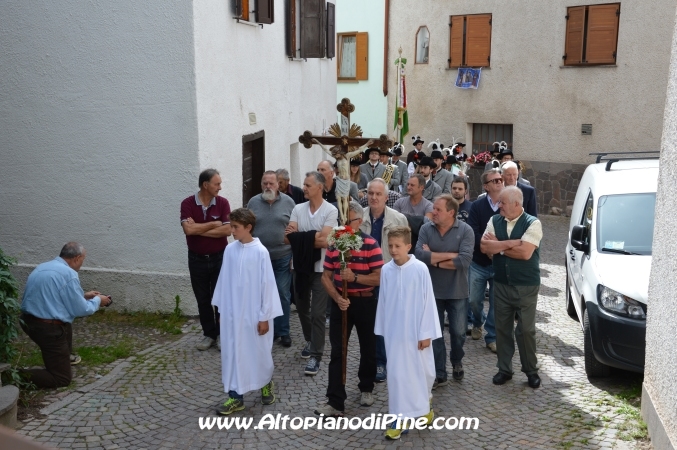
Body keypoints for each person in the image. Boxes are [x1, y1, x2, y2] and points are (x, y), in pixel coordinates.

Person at [315, 202, 384, 418]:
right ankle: (335, 400)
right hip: (341, 303)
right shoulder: (335, 245)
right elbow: (326, 276)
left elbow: (380, 277)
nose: (344, 225)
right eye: (342, 222)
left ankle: (366, 387)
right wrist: (337, 297)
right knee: (337, 351)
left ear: (360, 221)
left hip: (365, 301)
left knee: (368, 347)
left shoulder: (371, 244)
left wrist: (354, 278)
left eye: (349, 221)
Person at [213, 208, 283, 415]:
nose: (232, 230)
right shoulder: (230, 251)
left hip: (254, 315)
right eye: (231, 226)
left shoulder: (261, 252)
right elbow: (224, 282)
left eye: (235, 227)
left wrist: (265, 317)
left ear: (248, 227)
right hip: (233, 316)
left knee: (258, 353)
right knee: (233, 354)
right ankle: (235, 397)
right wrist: (221, 312)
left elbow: (267, 286)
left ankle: (265, 384)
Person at [375, 226, 441, 440]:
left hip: (416, 332)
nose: (393, 250)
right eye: (390, 246)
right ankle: (398, 418)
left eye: (397, 246)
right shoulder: (386, 270)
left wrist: (426, 332)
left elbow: (428, 301)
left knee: (423, 373)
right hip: (395, 333)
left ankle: (424, 406)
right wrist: (383, 329)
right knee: (396, 375)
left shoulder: (420, 269)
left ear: (408, 246)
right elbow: (383, 302)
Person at [19, 242, 112, 388]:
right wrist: (97, 301)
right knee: (61, 379)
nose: (82, 263)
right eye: (83, 259)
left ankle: (65, 356)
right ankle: (12, 375)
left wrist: (84, 295)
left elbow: (54, 295)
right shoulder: (69, 274)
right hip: (47, 328)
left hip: (28, 321)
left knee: (65, 321)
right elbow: (81, 310)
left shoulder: (43, 266)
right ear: (76, 258)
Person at [480, 186, 543, 389]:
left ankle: (531, 370)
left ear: (517, 204)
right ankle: (504, 369)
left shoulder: (533, 223)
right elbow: (484, 247)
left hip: (526, 284)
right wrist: (511, 243)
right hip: (501, 283)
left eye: (503, 203)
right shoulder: (494, 220)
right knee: (502, 329)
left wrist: (499, 245)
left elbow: (525, 253)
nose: (499, 206)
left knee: (525, 330)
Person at [415, 195, 474, 387]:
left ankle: (456, 360)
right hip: (432, 292)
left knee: (458, 333)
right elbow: (419, 256)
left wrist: (433, 257)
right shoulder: (426, 228)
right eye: (433, 209)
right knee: (435, 334)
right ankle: (440, 372)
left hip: (457, 291)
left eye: (438, 210)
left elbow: (463, 261)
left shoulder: (465, 231)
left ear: (451, 213)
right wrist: (449, 256)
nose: (434, 213)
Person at [284, 171, 338, 376]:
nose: (304, 188)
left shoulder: (330, 211)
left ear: (320, 187)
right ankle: (310, 340)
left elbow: (327, 241)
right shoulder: (298, 208)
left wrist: (300, 237)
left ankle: (316, 354)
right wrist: (311, 237)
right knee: (301, 305)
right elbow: (287, 238)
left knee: (318, 312)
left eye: (308, 185)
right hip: (299, 266)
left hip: (322, 268)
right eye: (304, 184)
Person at [359, 178, 408, 383]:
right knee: (373, 323)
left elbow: (406, 248)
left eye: (378, 194)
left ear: (386, 197)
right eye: (371, 193)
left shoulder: (398, 218)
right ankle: (378, 361)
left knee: (393, 321)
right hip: (366, 277)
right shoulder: (358, 218)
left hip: (391, 276)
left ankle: (395, 359)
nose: (374, 197)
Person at [180, 168, 232, 351]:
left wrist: (199, 228)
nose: (220, 187)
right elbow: (188, 231)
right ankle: (209, 334)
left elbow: (227, 230)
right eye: (217, 184)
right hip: (196, 259)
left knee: (221, 298)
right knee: (203, 299)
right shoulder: (187, 203)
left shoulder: (223, 203)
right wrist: (213, 224)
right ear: (205, 185)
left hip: (219, 258)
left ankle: (222, 335)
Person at [247, 171, 296, 348]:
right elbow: (248, 228)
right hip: (259, 257)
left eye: (271, 183)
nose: (268, 186)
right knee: (260, 295)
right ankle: (265, 327)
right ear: (261, 184)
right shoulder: (253, 202)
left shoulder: (289, 202)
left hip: (282, 255)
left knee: (282, 294)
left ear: (278, 184)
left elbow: (294, 228)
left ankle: (283, 331)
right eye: (265, 183)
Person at [467, 169, 504, 352]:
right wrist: (486, 248)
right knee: (474, 300)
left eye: (500, 179)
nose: (499, 182)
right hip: (479, 262)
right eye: (494, 180)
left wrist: (497, 250)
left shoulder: (508, 205)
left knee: (497, 302)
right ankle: (477, 320)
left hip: (500, 263)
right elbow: (472, 231)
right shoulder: (477, 206)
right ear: (486, 186)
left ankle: (492, 337)